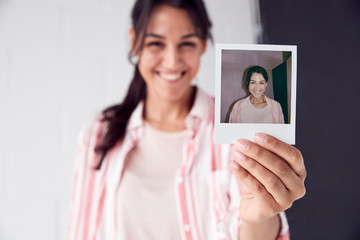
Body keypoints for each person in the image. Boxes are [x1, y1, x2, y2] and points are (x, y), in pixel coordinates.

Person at [67, 1, 306, 239]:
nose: (172, 61)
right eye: (155, 43)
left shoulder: (236, 129)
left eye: (187, 43)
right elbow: (82, 232)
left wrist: (261, 217)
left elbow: (253, 224)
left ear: (203, 44)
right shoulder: (99, 132)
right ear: (134, 41)